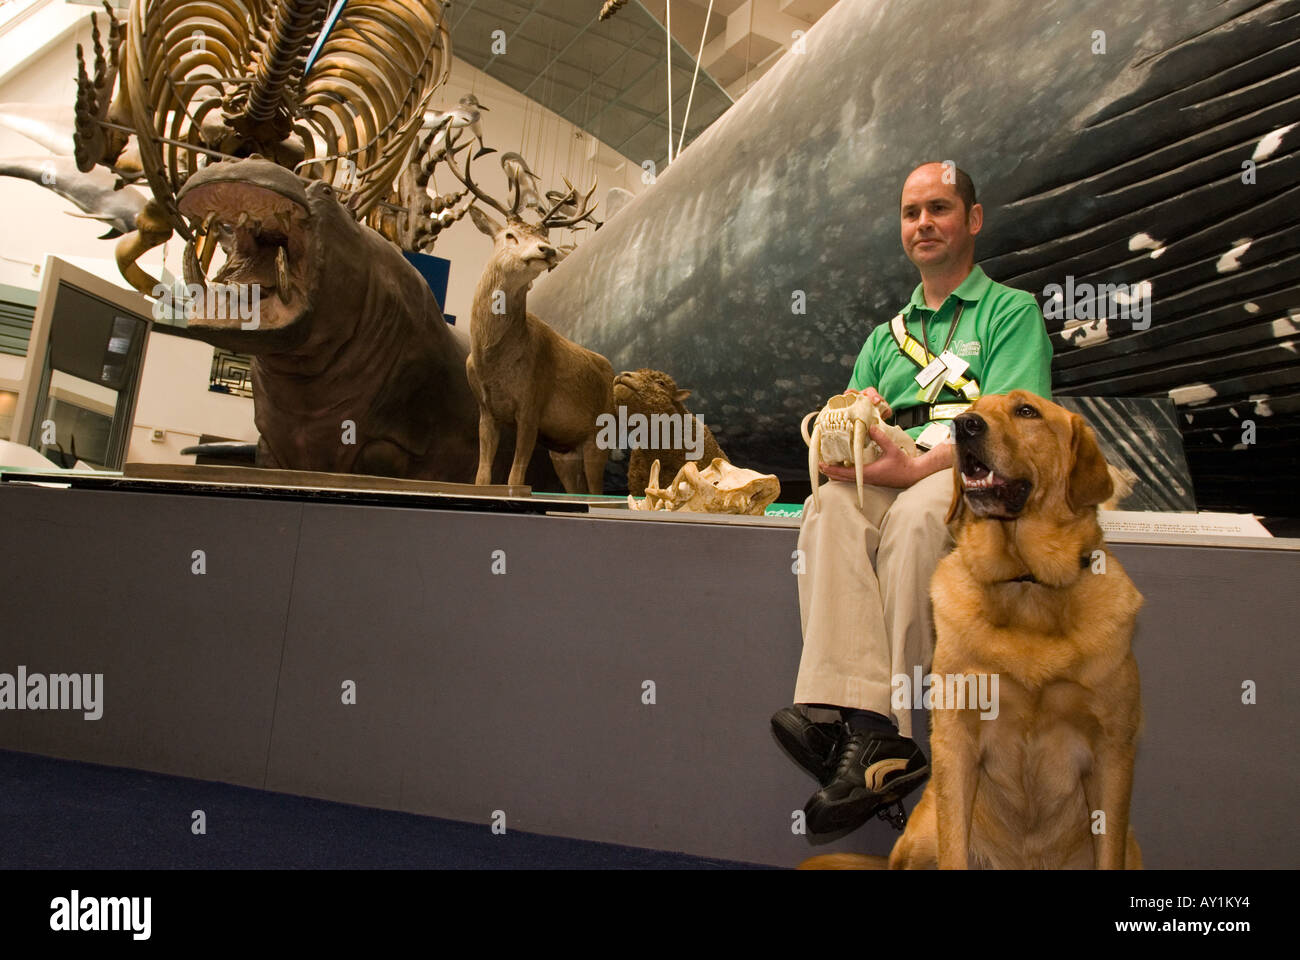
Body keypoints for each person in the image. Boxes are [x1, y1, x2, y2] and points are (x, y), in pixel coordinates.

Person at [772, 161, 1053, 835]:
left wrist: (922, 463)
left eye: (939, 208)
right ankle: (857, 722)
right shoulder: (883, 338)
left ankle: (873, 729)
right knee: (827, 507)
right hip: (894, 467)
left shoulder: (1011, 312)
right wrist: (857, 417)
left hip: (971, 476)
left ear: (973, 220)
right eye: (910, 212)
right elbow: (851, 425)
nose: (923, 223)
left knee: (920, 516)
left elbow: (1017, 427)